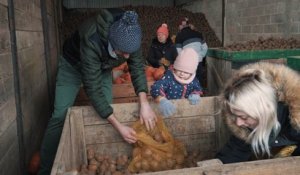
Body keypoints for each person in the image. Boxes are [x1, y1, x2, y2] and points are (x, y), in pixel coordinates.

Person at [38, 9, 157, 175]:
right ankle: (44, 170)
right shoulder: (91, 38)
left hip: (103, 66)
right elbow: (92, 88)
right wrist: (119, 127)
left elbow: (136, 67)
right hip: (73, 65)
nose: (127, 55)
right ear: (112, 41)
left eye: (130, 51)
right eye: (123, 52)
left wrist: (144, 102)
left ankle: (101, 157)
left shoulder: (131, 36)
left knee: (106, 107)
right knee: (60, 115)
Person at [216, 62, 300, 164]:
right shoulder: (248, 128)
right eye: (235, 116)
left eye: (244, 117)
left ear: (263, 111)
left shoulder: (295, 121)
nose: (238, 122)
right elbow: (234, 153)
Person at [150, 48, 203, 117]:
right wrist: (162, 99)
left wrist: (196, 94)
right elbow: (156, 87)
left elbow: (197, 88)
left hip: (185, 110)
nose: (182, 74)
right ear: (175, 68)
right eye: (179, 70)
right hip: (168, 109)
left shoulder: (193, 80)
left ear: (191, 73)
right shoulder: (169, 77)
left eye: (186, 72)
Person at [175, 17, 208, 84]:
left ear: (180, 26)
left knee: (189, 82)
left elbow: (179, 52)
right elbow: (205, 48)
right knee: (199, 80)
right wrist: (200, 56)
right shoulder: (198, 34)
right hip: (198, 61)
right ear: (188, 25)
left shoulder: (179, 36)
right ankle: (199, 93)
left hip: (187, 63)